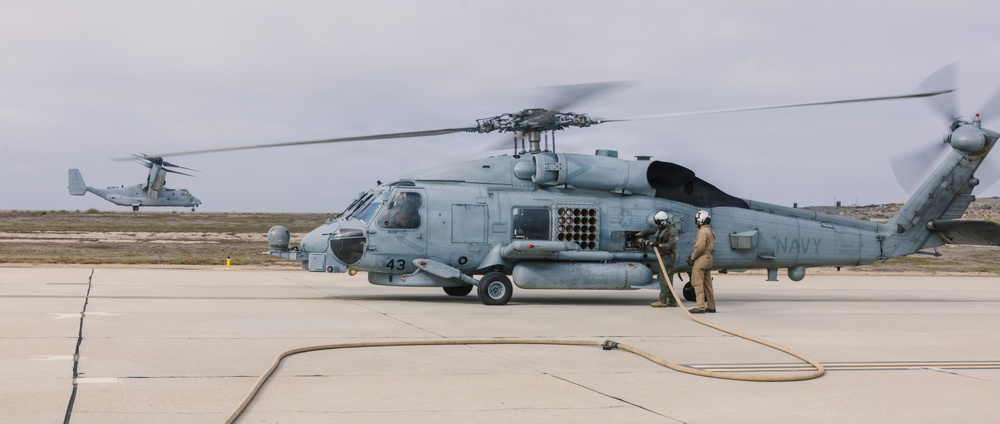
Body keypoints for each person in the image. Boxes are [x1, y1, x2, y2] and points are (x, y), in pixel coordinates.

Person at [637, 211, 679, 308]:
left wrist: (658, 245)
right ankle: (672, 301)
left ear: (663, 222)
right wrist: (642, 233)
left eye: (658, 223)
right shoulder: (660, 227)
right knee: (667, 279)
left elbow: (671, 244)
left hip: (668, 257)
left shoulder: (673, 231)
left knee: (663, 278)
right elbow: (652, 230)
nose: (657, 225)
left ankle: (663, 301)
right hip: (662, 256)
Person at [686, 209, 716, 314]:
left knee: (697, 282)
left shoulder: (702, 231)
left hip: (701, 259)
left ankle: (700, 306)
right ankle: (711, 306)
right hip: (708, 258)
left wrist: (692, 258)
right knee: (708, 284)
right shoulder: (710, 230)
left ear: (700, 220)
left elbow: (699, 248)